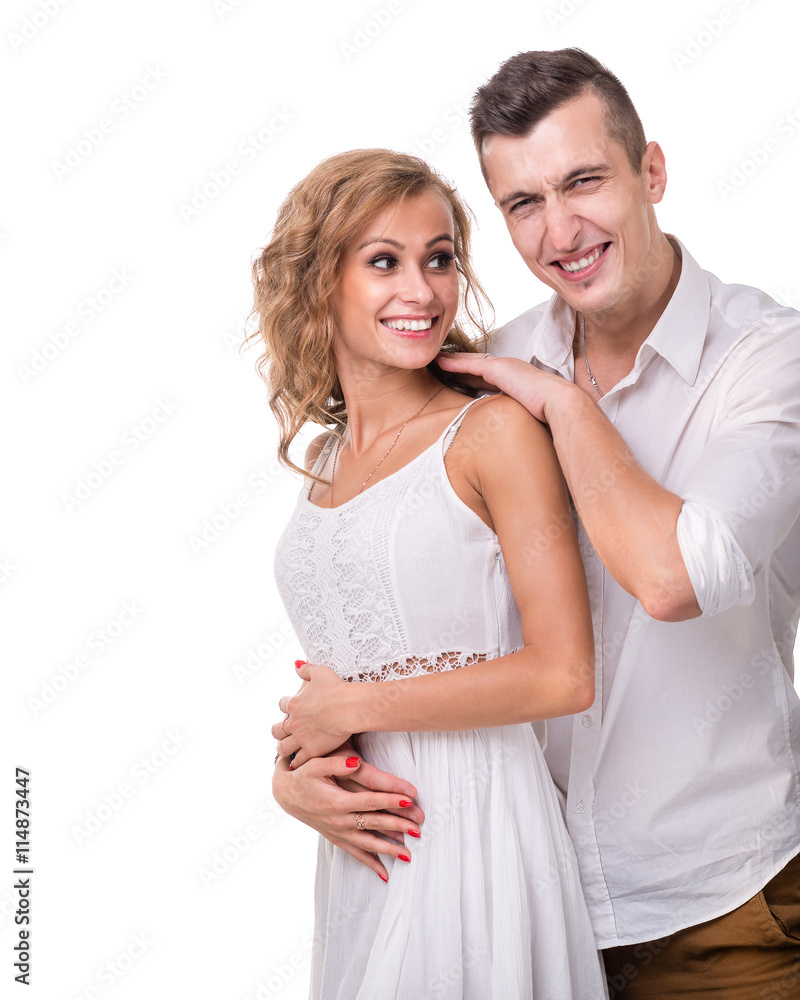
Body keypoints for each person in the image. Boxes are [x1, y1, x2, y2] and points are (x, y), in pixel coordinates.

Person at [272, 50, 800, 998]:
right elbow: (409, 608)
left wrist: (567, 407)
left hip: (720, 903)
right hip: (516, 881)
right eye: (523, 203)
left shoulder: (767, 360)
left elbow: (679, 576)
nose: (560, 231)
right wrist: (304, 765)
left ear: (652, 172)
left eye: (583, 181)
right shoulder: (488, 369)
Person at [253, 148, 608, 998]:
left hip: (476, 825)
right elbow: (349, 669)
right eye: (384, 261)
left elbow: (563, 674)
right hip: (364, 845)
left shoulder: (492, 435)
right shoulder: (324, 459)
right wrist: (295, 781)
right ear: (318, 281)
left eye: (439, 258)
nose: (422, 290)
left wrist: (351, 708)